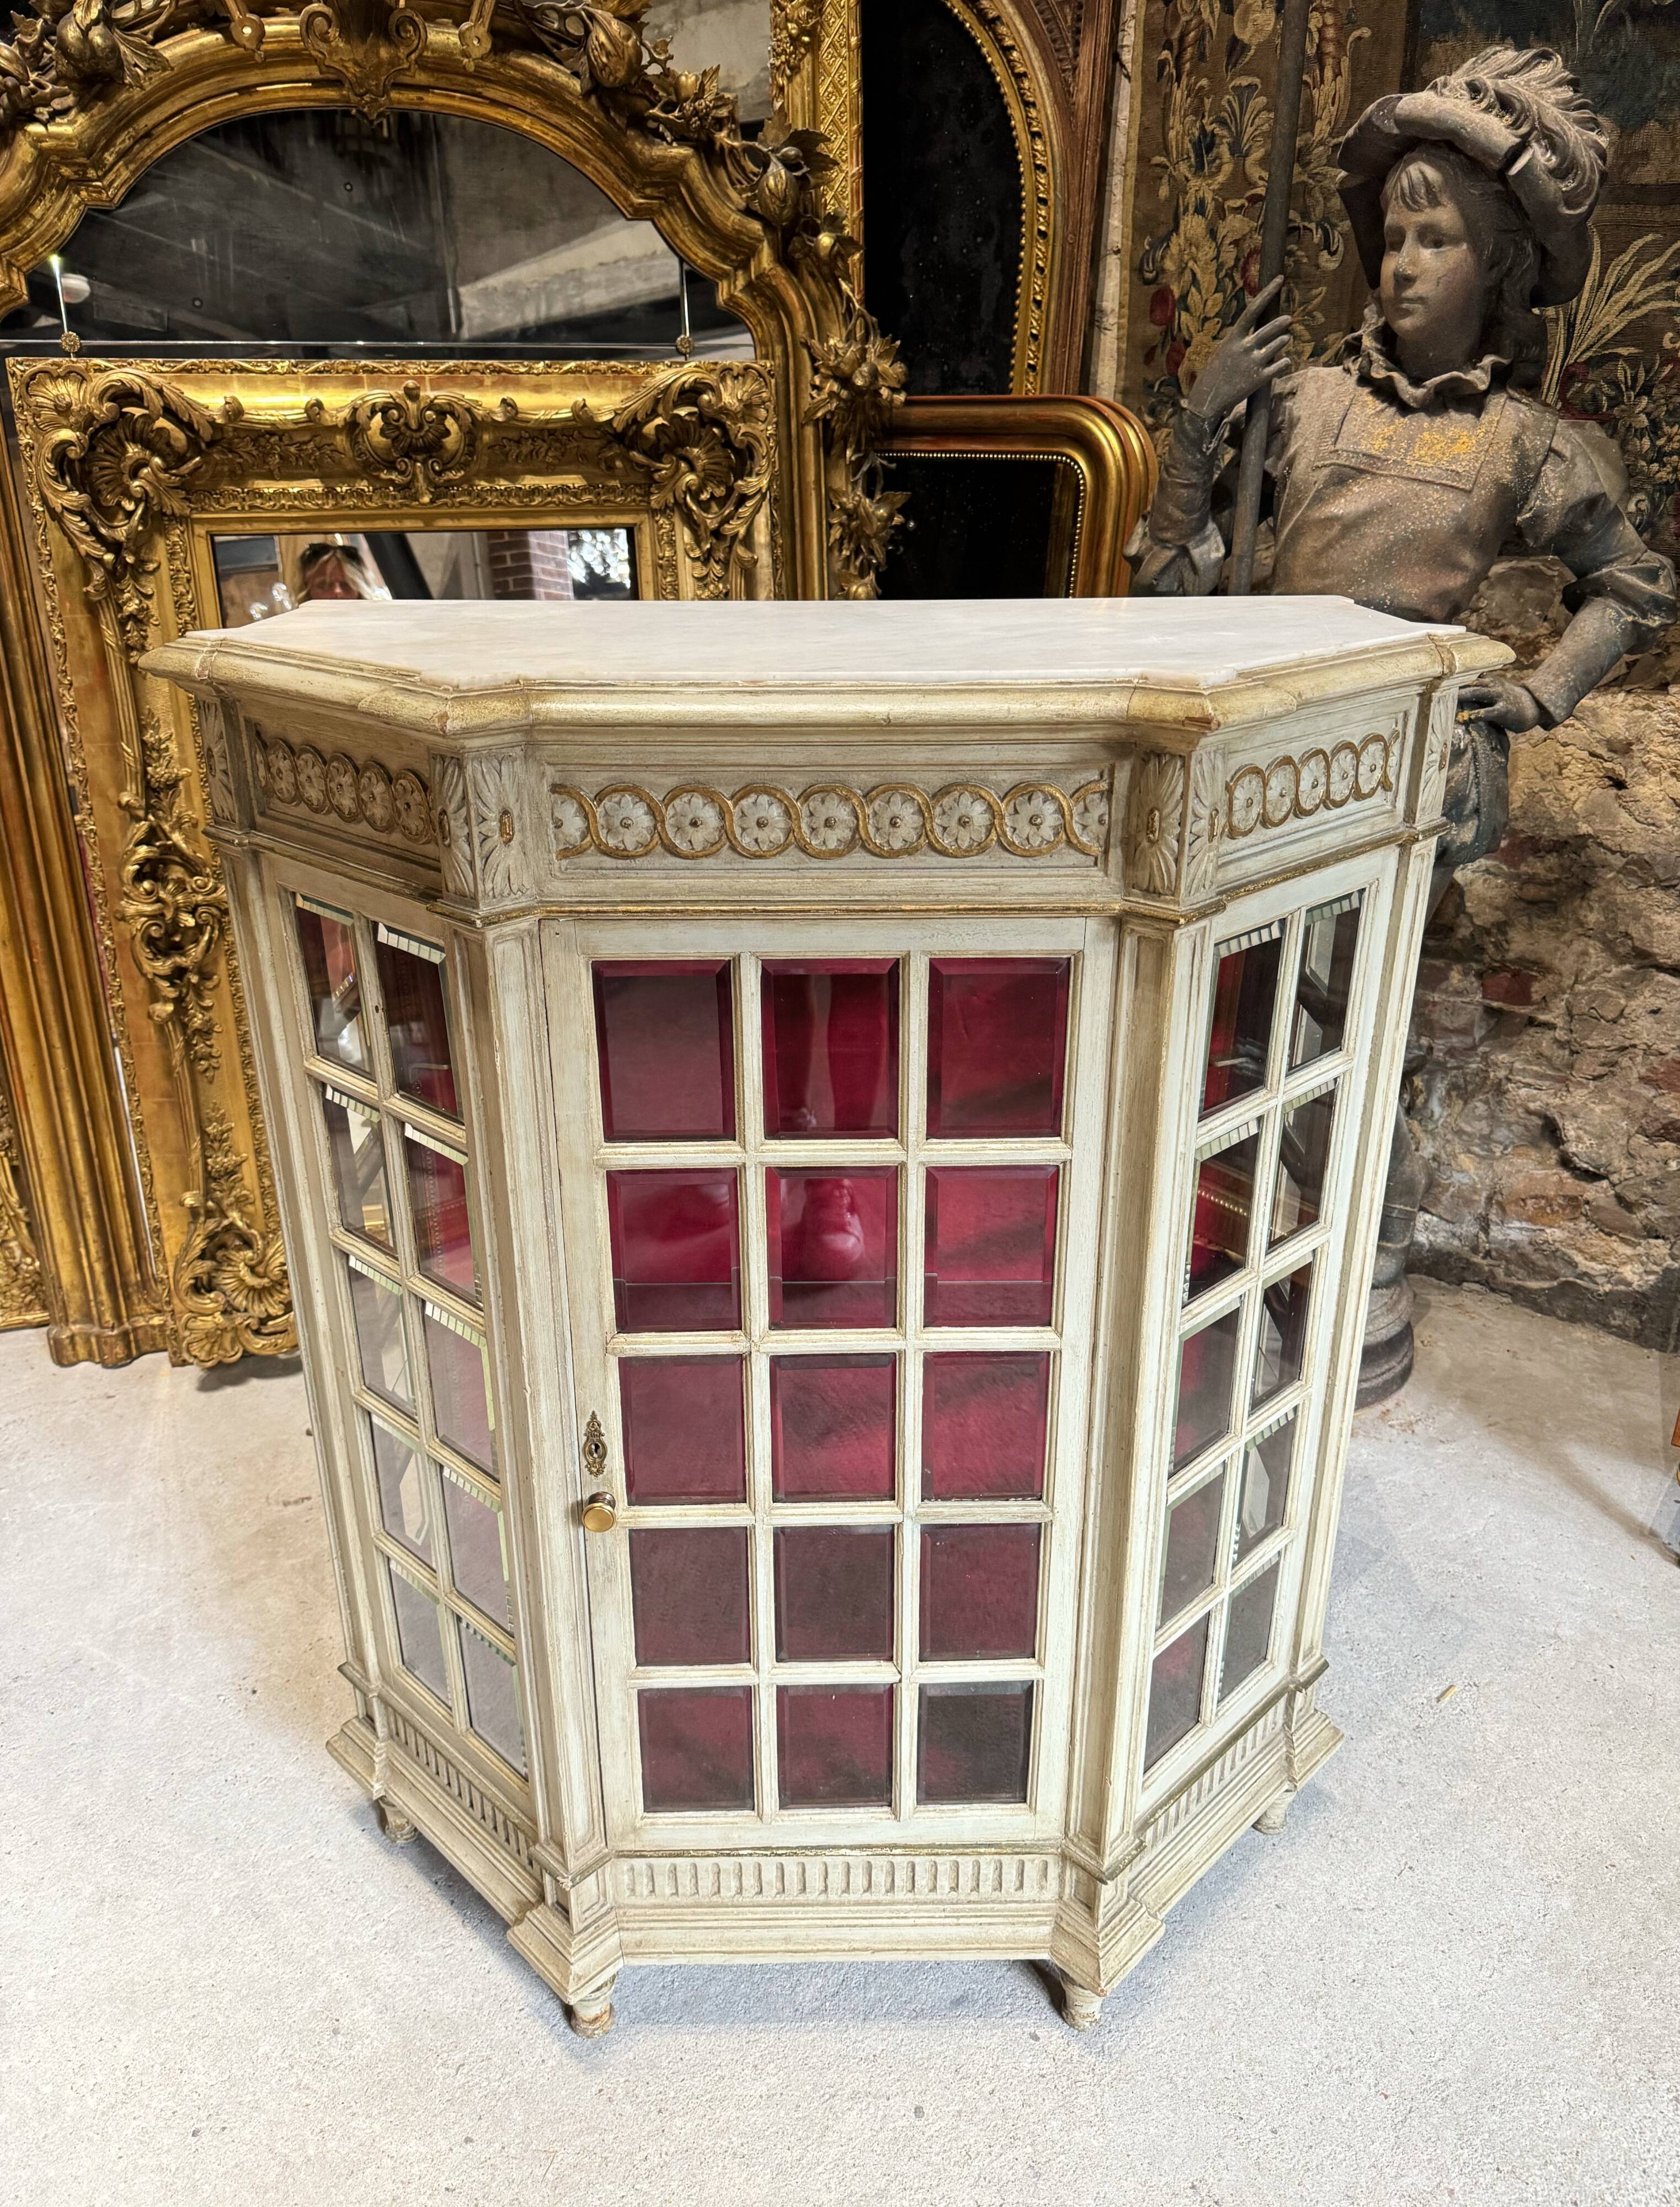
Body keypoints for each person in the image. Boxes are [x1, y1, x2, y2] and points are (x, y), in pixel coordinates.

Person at [1134, 44, 1677, 1398]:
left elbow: (1633, 582)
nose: (1400, 262)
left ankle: (1352, 1278)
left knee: (1350, 1031)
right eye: (1392, 233)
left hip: (1396, 777)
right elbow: (1176, 594)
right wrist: (1200, 441)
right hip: (1260, 753)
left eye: (1435, 237)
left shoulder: (1520, 446)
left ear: (1495, 266)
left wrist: (1542, 686)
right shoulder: (1299, 408)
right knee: (1235, 1027)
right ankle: (1228, 1245)